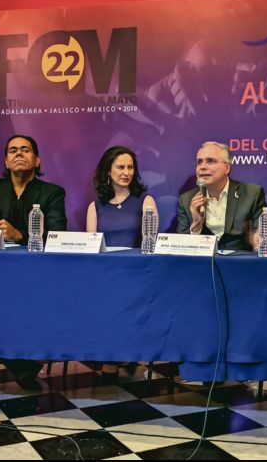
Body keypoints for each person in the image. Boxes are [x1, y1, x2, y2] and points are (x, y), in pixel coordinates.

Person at [0, 134, 68, 396]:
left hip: (36, 275)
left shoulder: (52, 192)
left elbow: (56, 234)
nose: (19, 153)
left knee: (12, 301)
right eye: (13, 150)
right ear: (6, 160)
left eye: (26, 150)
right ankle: (16, 361)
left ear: (36, 159)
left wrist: (19, 236)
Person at [86, 145, 156, 379]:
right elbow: (91, 246)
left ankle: (125, 354)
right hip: (105, 274)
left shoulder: (145, 201)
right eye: (120, 167)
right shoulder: (95, 206)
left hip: (136, 274)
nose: (126, 172)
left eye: (130, 167)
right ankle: (110, 355)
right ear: (108, 171)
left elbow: (151, 242)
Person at [177, 141, 267, 251]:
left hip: (240, 263)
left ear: (227, 167)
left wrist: (259, 243)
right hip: (202, 265)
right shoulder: (186, 200)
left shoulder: (252, 193)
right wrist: (196, 224)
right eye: (199, 162)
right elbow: (180, 248)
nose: (202, 167)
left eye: (210, 161)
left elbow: (263, 237)